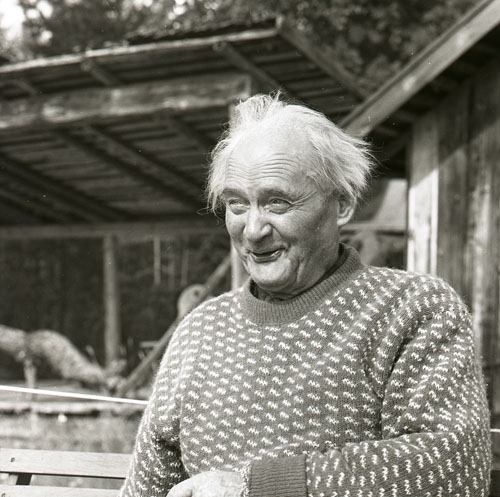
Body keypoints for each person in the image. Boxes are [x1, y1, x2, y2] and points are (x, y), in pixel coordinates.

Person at [120, 94, 491, 497]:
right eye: (237, 204)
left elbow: (453, 464)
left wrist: (255, 487)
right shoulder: (201, 330)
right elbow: (146, 487)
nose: (253, 229)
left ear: (343, 204)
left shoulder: (412, 309)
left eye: (277, 202)